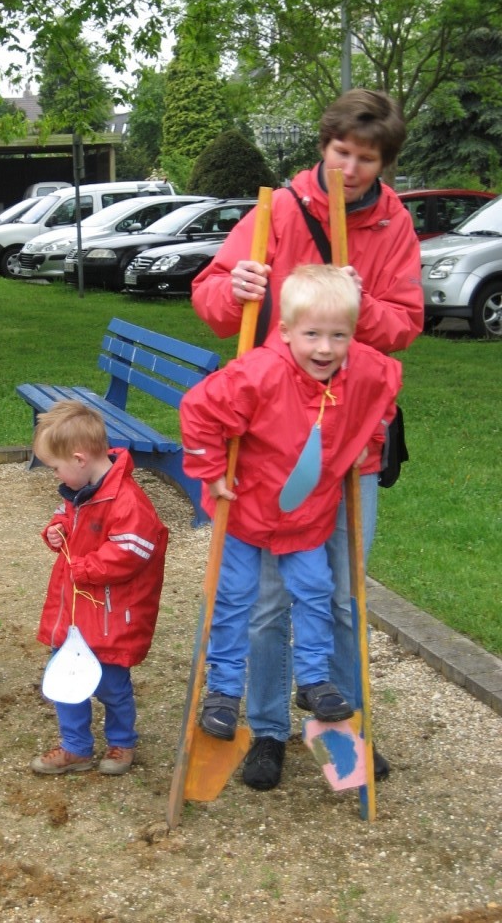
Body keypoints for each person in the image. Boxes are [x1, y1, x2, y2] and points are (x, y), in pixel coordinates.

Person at [191, 89, 423, 789]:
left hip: (351, 440)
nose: (349, 168)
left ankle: (340, 730)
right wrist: (238, 287)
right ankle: (266, 728)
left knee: (343, 596)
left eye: (365, 158)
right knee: (264, 602)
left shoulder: (393, 225)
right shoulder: (278, 211)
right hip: (269, 446)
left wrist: (364, 304)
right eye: (340, 151)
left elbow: (405, 327)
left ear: (383, 163)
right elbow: (210, 304)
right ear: (324, 144)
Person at [181, 265, 401, 733]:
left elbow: (384, 394)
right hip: (245, 512)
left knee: (317, 592)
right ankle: (223, 690)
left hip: (306, 520)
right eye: (313, 335)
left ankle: (315, 680)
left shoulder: (362, 370)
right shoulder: (257, 373)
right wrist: (211, 470)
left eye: (339, 335)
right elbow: (198, 410)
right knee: (236, 598)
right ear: (284, 331)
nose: (325, 348)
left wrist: (370, 440)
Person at [29, 400, 168, 776]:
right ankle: (76, 747)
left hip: (110, 615)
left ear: (78, 458)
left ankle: (122, 742)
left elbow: (132, 550)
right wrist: (55, 530)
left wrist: (86, 568)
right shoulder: (79, 489)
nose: (54, 475)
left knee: (111, 684)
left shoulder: (128, 501)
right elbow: (64, 516)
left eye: (55, 467)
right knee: (65, 679)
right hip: (75, 611)